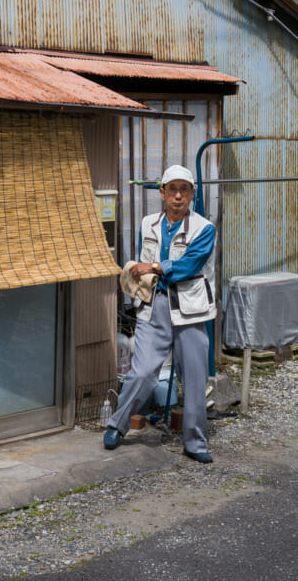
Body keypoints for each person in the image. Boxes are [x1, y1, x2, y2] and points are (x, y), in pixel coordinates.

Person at [104, 164, 217, 463]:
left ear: (193, 193)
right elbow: (142, 260)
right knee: (141, 373)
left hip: (190, 311)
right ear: (162, 193)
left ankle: (195, 443)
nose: (178, 196)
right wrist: (143, 272)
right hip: (154, 306)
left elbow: (189, 266)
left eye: (184, 189)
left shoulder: (204, 228)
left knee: (193, 380)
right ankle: (118, 424)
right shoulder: (147, 224)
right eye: (172, 189)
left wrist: (155, 267)